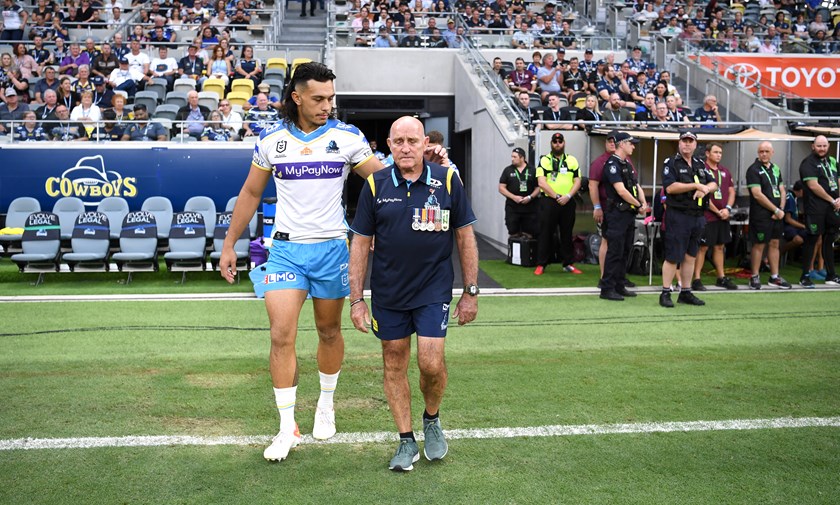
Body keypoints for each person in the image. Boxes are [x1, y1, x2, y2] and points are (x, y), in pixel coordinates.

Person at [218, 62, 385, 463]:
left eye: (331, 98)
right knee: (281, 335)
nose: (328, 105)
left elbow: (382, 184)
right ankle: (285, 426)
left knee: (329, 332)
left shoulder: (347, 138)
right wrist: (229, 245)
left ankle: (326, 403)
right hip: (286, 250)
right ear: (296, 97)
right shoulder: (271, 140)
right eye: (319, 98)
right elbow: (249, 194)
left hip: (331, 250)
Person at [348, 115, 478, 472]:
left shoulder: (448, 180)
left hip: (433, 289)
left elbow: (465, 237)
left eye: (412, 141)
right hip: (388, 293)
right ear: (388, 146)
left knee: (431, 363)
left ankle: (432, 419)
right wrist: (357, 299)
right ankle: (406, 440)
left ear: (426, 144)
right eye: (399, 141)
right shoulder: (374, 185)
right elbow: (359, 244)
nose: (406, 147)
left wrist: (471, 291)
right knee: (394, 361)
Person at [659, 131, 718, 307]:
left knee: (691, 255)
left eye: (690, 141)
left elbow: (713, 183)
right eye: (684, 141)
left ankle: (686, 291)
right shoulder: (671, 163)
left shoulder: (700, 163)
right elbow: (670, 187)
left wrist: (706, 189)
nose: (687, 144)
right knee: (673, 256)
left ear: (695, 144)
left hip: (697, 216)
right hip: (679, 215)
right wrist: (695, 185)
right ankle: (665, 292)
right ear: (679, 143)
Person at [600, 132, 647, 300]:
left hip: (628, 213)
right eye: (631, 143)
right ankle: (607, 288)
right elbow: (620, 190)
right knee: (615, 251)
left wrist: (643, 202)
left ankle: (619, 285)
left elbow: (636, 185)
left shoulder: (626, 163)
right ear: (622, 144)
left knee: (625, 250)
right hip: (617, 214)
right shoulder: (612, 164)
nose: (633, 146)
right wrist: (639, 204)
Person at [691, 142, 738, 291]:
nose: (718, 155)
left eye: (720, 153)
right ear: (707, 153)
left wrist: (727, 209)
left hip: (723, 215)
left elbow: (731, 191)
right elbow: (703, 193)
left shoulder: (725, 171)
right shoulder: (702, 170)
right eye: (715, 152)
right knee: (703, 247)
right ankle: (696, 279)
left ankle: (721, 277)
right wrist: (717, 211)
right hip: (707, 215)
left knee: (720, 246)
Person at [745, 141, 791, 289]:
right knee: (759, 244)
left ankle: (774, 277)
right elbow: (757, 195)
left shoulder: (776, 168)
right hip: (761, 214)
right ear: (758, 153)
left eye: (766, 151)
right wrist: (775, 210)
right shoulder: (753, 170)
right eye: (761, 151)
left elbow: (782, 190)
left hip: (777, 213)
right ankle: (754, 276)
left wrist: (781, 209)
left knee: (775, 243)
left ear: (772, 152)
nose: (764, 154)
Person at [534, 132, 582, 275]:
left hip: (567, 201)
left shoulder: (572, 160)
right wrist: (556, 196)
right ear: (551, 143)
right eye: (555, 141)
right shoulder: (545, 160)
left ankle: (568, 263)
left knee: (567, 233)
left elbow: (577, 181)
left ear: (564, 143)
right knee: (545, 233)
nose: (557, 144)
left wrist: (567, 196)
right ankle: (541, 264)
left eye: (560, 141)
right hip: (549, 201)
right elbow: (541, 182)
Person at [798, 135, 840, 287]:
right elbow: (813, 185)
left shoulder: (833, 161)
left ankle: (831, 275)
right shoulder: (808, 163)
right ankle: (804, 276)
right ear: (813, 146)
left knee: (829, 240)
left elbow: (838, 180)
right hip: (815, 208)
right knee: (812, 240)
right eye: (819, 146)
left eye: (824, 146)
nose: (822, 149)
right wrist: (832, 200)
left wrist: (839, 198)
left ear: (828, 146)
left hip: (833, 208)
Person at [498, 146, 539, 239]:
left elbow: (539, 187)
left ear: (522, 158)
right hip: (513, 208)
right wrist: (514, 197)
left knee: (528, 234)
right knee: (513, 232)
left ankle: (527, 252)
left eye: (514, 157)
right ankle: (514, 252)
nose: (512, 159)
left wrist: (530, 197)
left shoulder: (533, 170)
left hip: (529, 208)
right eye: (511, 156)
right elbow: (501, 188)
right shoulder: (508, 170)